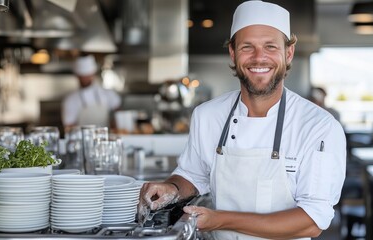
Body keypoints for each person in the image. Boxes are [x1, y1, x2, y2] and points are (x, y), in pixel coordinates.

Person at [139, 1, 346, 239]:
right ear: (233, 52)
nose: (259, 58)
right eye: (247, 47)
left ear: (288, 53)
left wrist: (220, 220)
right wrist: (172, 188)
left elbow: (312, 221)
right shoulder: (207, 115)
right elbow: (192, 174)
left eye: (270, 46)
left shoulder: (318, 126)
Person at [62, 55, 121, 132]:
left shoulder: (108, 93)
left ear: (93, 74)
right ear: (77, 76)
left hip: (106, 138)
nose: (85, 78)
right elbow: (69, 126)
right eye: (83, 76)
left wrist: (115, 124)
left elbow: (119, 113)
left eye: (87, 75)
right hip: (82, 141)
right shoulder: (70, 100)